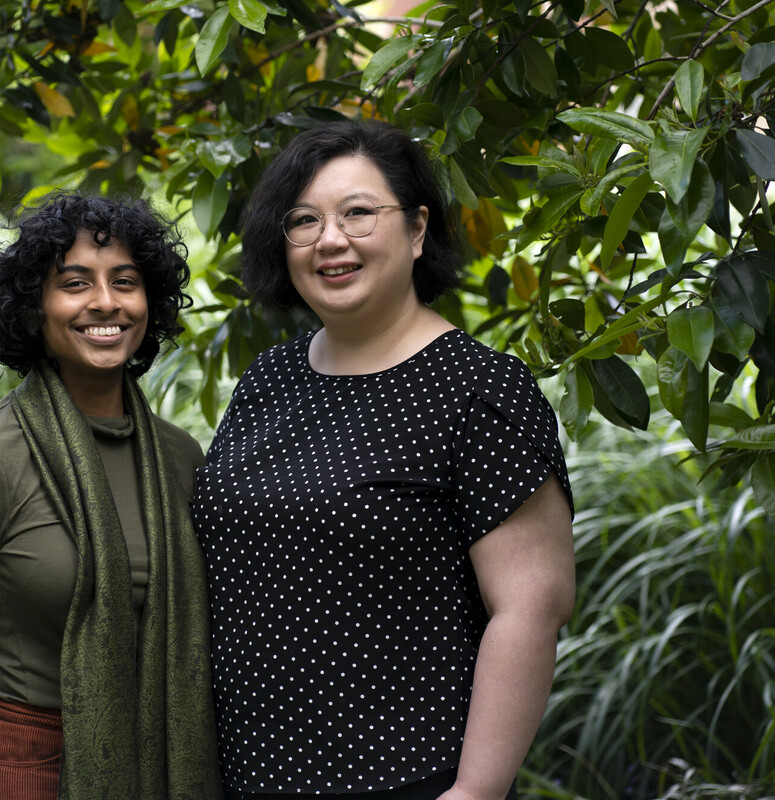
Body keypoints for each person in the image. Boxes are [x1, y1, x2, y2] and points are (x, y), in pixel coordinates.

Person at [191, 120, 576, 800]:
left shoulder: (479, 391)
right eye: (304, 220)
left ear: (418, 228)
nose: (330, 240)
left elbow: (531, 608)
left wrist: (476, 792)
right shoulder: (269, 378)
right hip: (246, 776)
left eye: (358, 213)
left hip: (404, 779)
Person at [0, 192, 223, 800]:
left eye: (125, 282)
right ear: (33, 309)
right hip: (24, 766)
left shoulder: (180, 459)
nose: (105, 302)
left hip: (163, 759)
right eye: (74, 283)